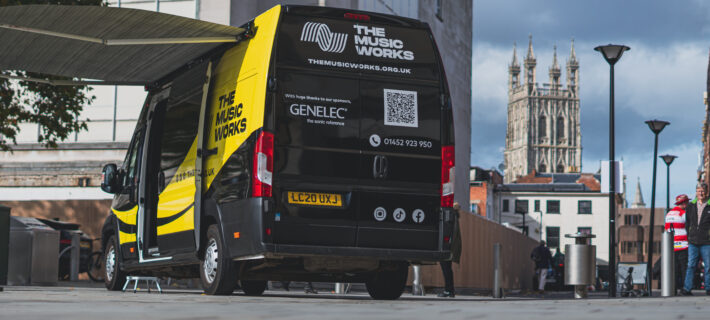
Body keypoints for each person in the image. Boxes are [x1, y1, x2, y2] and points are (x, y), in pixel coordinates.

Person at [681, 183, 710, 296]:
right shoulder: (691, 206)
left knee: (708, 267)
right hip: (693, 241)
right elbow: (688, 223)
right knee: (691, 265)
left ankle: (708, 288)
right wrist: (690, 235)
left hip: (707, 242)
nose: (700, 193)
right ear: (696, 192)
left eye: (702, 190)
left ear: (706, 192)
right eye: (698, 191)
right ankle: (687, 289)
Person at [665, 194, 689, 293]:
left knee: (674, 269)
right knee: (684, 268)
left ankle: (673, 289)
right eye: (687, 202)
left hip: (672, 245)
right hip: (683, 244)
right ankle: (685, 288)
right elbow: (689, 227)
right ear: (683, 203)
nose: (687, 204)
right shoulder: (684, 213)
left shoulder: (669, 214)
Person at [438, 202, 462, 298]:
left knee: (446, 269)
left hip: (448, 246)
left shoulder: (451, 217)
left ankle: (449, 290)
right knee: (447, 269)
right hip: (450, 246)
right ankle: (449, 290)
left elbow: (452, 233)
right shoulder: (454, 217)